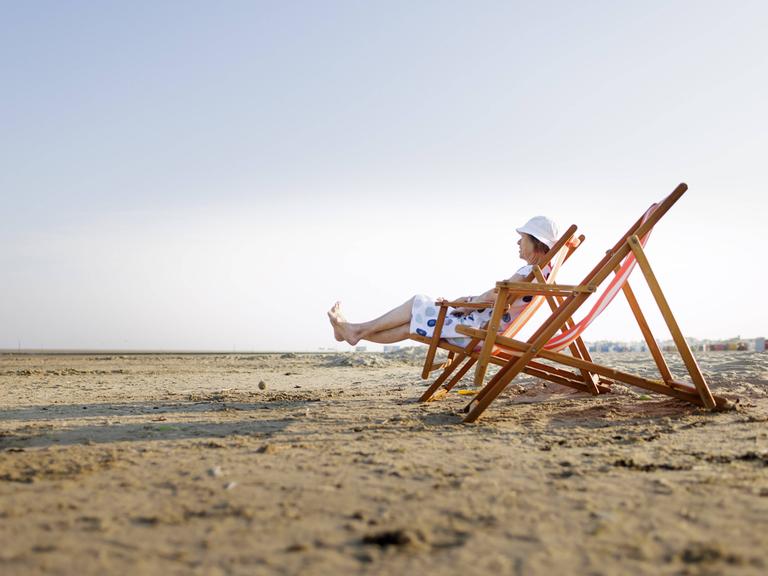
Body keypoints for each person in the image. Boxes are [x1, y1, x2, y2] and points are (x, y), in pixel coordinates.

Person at [328, 216, 559, 347]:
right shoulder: (542, 273)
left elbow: (495, 296)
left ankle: (354, 331)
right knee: (411, 325)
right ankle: (352, 331)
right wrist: (464, 302)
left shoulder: (530, 271)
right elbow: (500, 299)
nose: (518, 244)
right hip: (484, 328)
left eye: (522, 239)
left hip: (475, 331)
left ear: (536, 242)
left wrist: (460, 305)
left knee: (418, 303)